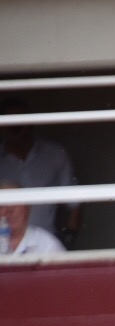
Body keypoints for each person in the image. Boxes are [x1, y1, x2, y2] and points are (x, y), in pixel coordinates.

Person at [0, 99, 81, 246]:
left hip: (45, 245)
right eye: (11, 123)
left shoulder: (55, 154)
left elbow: (74, 203)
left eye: (20, 123)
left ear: (31, 123)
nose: (16, 128)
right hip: (3, 243)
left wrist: (68, 239)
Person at [0, 180, 66, 254]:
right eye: (3, 205)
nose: (10, 210)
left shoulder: (47, 245)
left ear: (27, 208)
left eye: (15, 203)